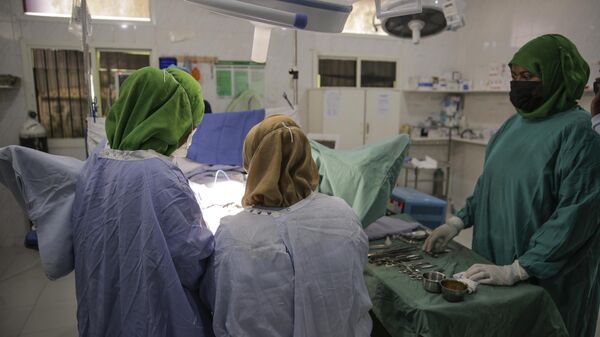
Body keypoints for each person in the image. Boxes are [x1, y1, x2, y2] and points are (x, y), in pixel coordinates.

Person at [423, 34, 600, 337]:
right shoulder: (512, 125)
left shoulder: (578, 133)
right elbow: (489, 185)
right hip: (491, 261)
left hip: (547, 279)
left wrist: (519, 269)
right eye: (515, 76)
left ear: (557, 76)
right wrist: (457, 221)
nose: (519, 84)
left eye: (528, 76)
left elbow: (575, 216)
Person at [72, 67, 214, 337]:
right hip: (152, 319)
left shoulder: (95, 163)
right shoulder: (160, 176)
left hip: (100, 311)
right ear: (171, 120)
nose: (187, 138)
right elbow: (193, 261)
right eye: (189, 128)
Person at [203, 115, 372, 337]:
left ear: (253, 165)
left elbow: (214, 299)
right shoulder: (343, 215)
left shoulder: (234, 233)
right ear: (307, 158)